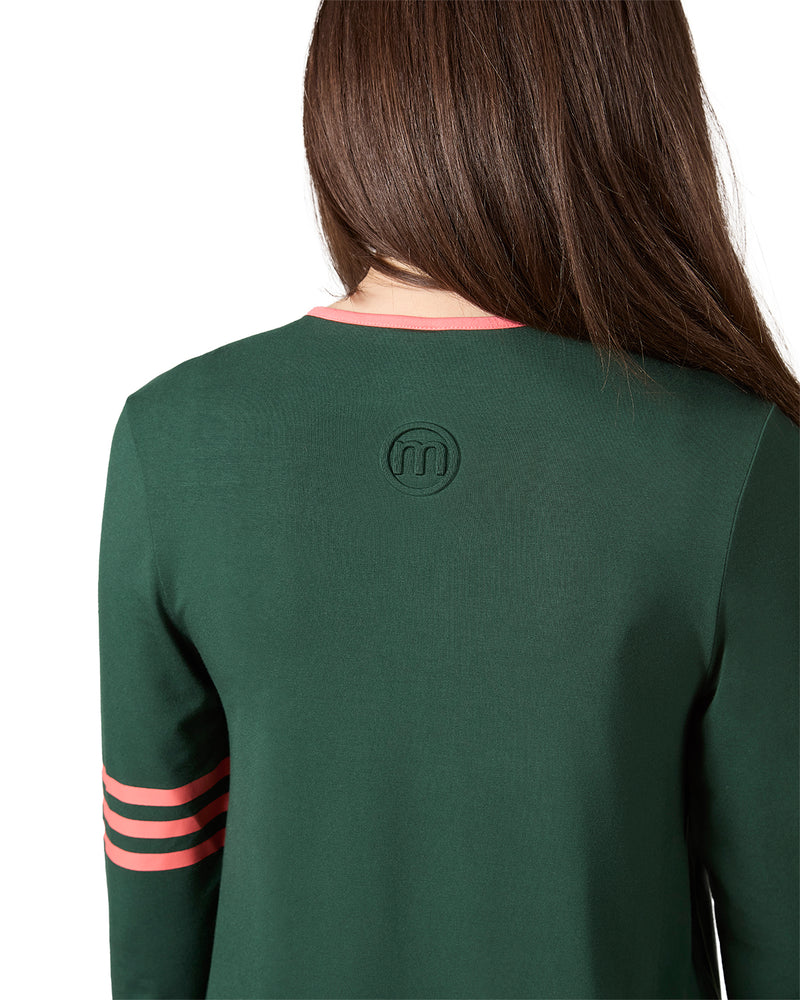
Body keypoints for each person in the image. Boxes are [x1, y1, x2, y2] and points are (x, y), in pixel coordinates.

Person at [98, 2, 799, 998]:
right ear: (630, 101)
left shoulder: (171, 439)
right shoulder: (736, 457)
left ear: (348, 97)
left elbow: (157, 891)